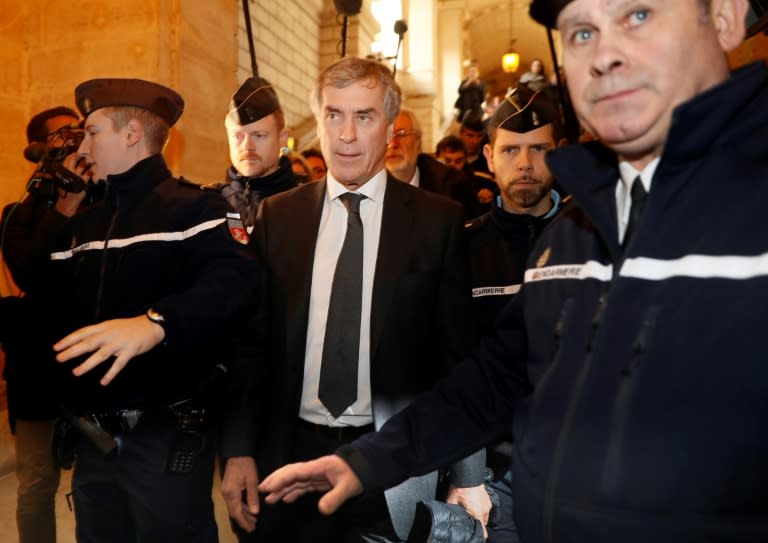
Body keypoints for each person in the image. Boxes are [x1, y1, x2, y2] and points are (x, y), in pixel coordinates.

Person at [259, 1, 768, 541]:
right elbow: (493, 379)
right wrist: (364, 463)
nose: (604, 56)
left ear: (728, 18)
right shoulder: (575, 232)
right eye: (581, 32)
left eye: (638, 15)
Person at [220, 56, 489, 543]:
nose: (346, 135)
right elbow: (251, 346)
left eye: (363, 117)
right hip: (287, 460)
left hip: (392, 460)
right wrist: (238, 449)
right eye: (333, 115)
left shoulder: (437, 223)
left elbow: (458, 359)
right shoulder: (279, 217)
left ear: (390, 129)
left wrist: (469, 476)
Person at [24, 78, 259, 542]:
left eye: (92, 132)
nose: (82, 145)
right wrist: (56, 209)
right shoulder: (85, 220)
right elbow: (39, 290)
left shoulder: (197, 208)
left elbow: (238, 284)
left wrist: (157, 323)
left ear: (132, 134)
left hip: (163, 437)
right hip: (95, 441)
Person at [465, 87, 566, 543]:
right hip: (495, 473)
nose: (524, 163)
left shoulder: (597, 237)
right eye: (510, 150)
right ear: (489, 156)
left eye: (538, 149)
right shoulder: (462, 248)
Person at [1, 106, 95, 543]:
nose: (74, 141)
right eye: (61, 136)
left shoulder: (105, 201)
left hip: (92, 369)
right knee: (38, 484)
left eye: (78, 131)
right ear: (40, 149)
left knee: (98, 483)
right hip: (36, 372)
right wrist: (62, 210)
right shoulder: (16, 214)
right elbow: (28, 274)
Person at [207, 76, 299, 227]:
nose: (247, 146)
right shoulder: (211, 204)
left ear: (282, 138)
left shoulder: (306, 203)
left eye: (259, 135)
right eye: (238, 136)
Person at [385, 109, 480, 218]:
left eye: (401, 134)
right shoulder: (364, 188)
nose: (392, 143)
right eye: (385, 135)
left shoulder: (452, 187)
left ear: (418, 143)